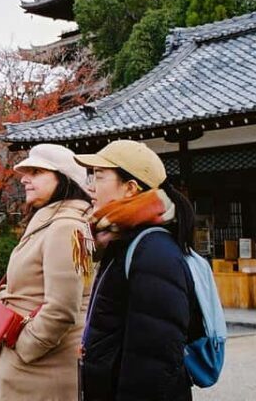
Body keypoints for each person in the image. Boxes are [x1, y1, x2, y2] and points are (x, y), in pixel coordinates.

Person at [75, 140, 199, 401]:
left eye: (99, 176)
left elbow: (155, 358)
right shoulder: (123, 240)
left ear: (130, 188)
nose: (90, 186)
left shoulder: (153, 250)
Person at [0, 143, 94, 401]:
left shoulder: (66, 227)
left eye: (37, 172)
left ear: (64, 179)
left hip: (40, 370)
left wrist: (25, 346)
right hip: (30, 366)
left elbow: (62, 307)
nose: (24, 179)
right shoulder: (54, 223)